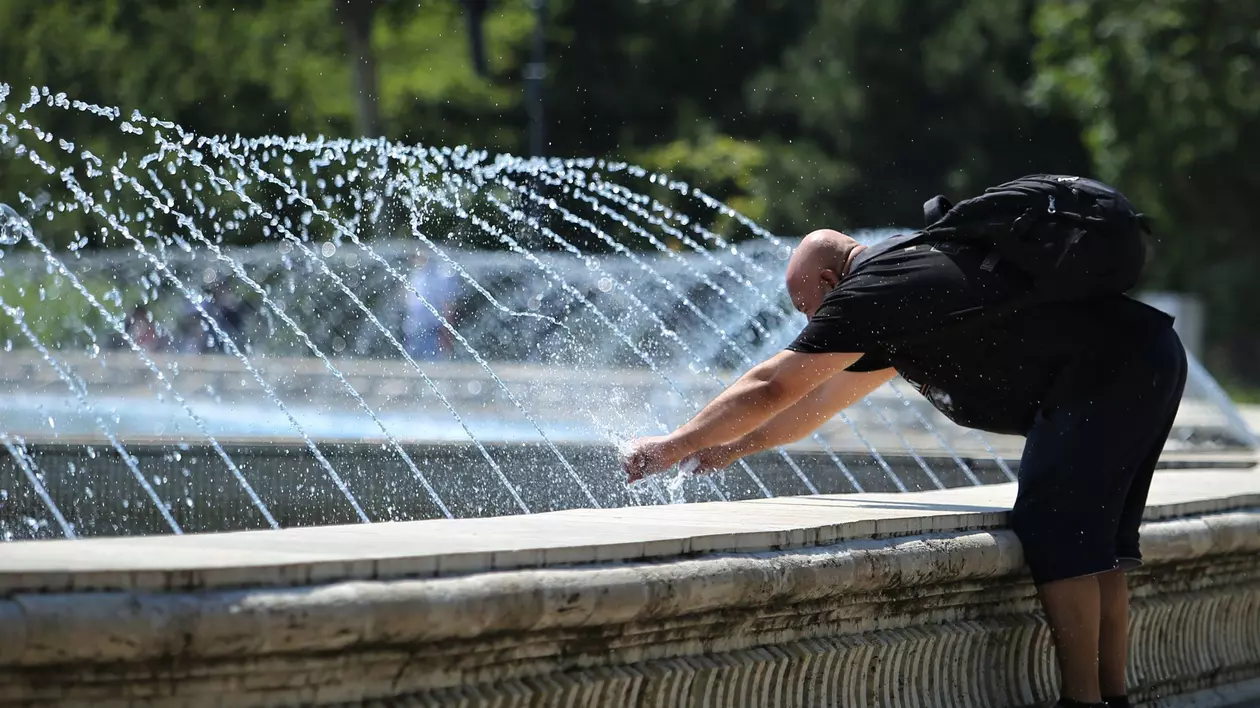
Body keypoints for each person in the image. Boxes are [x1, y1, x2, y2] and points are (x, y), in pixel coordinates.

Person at [624, 193, 1186, 707]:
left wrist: (675, 444)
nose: (819, 328)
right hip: (1147, 356)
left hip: (1107, 376)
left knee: (1054, 529)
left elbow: (773, 385)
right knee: (1097, 541)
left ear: (827, 280)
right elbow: (819, 401)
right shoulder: (907, 279)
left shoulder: (874, 291)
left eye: (812, 313)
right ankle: (1113, 697)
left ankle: (1083, 701)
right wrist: (736, 447)